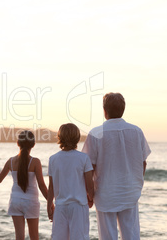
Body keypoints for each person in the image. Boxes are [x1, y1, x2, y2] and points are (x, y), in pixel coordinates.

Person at [82, 92, 151, 240]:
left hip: (105, 193)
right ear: (123, 109)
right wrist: (136, 183)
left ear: (104, 111)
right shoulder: (137, 131)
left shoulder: (95, 133)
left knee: (107, 236)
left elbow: (88, 168)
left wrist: (89, 193)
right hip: (129, 192)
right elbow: (143, 162)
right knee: (132, 235)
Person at [0, 130, 49, 240]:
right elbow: (42, 185)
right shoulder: (35, 162)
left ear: (18, 143)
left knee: (19, 237)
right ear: (33, 144)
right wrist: (51, 203)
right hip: (31, 202)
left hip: (15, 201)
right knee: (34, 237)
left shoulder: (11, 161)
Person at [47, 123, 94, 240]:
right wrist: (91, 198)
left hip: (60, 206)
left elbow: (51, 187)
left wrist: (49, 206)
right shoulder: (83, 158)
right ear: (77, 138)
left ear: (60, 138)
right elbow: (90, 184)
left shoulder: (53, 159)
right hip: (78, 206)